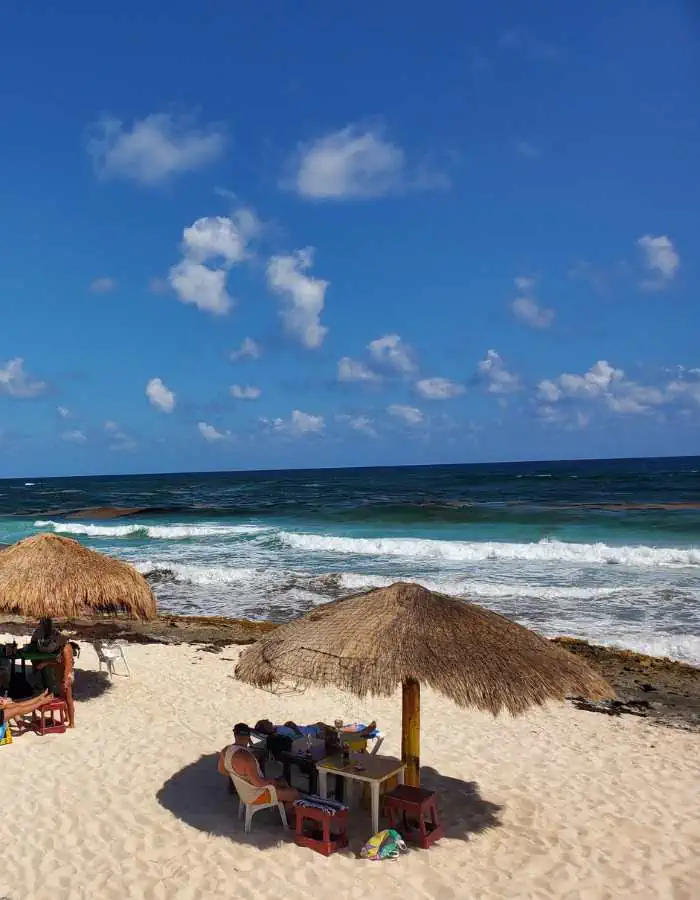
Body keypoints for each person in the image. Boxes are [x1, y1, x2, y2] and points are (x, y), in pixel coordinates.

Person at [218, 723, 301, 804]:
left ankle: (283, 802)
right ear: (248, 737)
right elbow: (259, 784)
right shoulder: (248, 759)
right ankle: (287, 814)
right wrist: (273, 782)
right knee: (295, 793)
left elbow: (222, 770)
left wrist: (239, 778)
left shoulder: (225, 750)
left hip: (244, 790)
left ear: (235, 735)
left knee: (283, 782)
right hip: (256, 795)